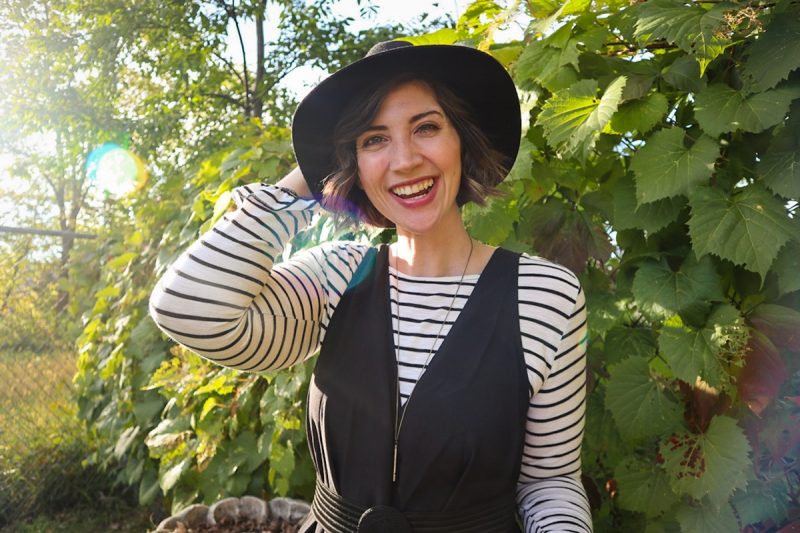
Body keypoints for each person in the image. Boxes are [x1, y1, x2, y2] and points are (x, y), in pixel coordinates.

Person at [150, 41, 592, 533]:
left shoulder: (546, 295)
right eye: (373, 140)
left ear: (463, 142)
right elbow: (186, 308)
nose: (403, 161)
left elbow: (549, 482)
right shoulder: (337, 277)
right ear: (353, 165)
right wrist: (307, 177)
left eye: (426, 127)